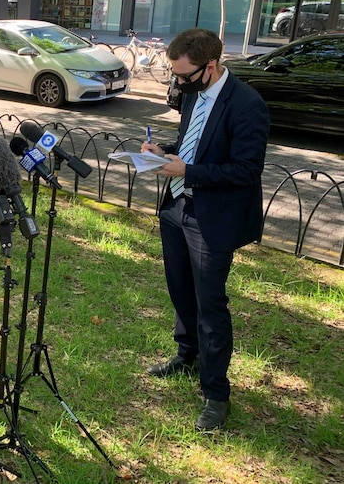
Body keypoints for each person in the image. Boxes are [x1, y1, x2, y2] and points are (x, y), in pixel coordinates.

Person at [140, 28, 269, 431]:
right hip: (177, 207)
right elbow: (191, 142)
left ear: (210, 66)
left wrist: (188, 170)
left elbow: (247, 170)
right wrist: (164, 152)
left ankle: (216, 393)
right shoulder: (194, 93)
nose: (178, 83)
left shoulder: (248, 105)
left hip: (212, 218)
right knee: (180, 288)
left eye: (184, 75)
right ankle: (186, 355)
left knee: (210, 306)